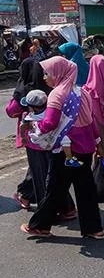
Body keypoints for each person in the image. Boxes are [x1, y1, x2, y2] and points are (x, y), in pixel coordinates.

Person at [22, 57, 104, 239]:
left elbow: (50, 123)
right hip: (85, 148)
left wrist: (36, 128)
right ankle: (94, 229)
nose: (45, 77)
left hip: (65, 150)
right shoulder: (82, 92)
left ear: (58, 73)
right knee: (85, 189)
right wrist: (98, 143)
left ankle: (40, 226)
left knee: (54, 188)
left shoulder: (57, 94)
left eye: (47, 73)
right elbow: (91, 122)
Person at [6, 59, 52, 209]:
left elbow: (11, 111)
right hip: (51, 135)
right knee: (44, 167)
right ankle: (27, 196)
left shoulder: (23, 90)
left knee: (38, 169)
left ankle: (39, 202)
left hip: (32, 137)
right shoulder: (49, 86)